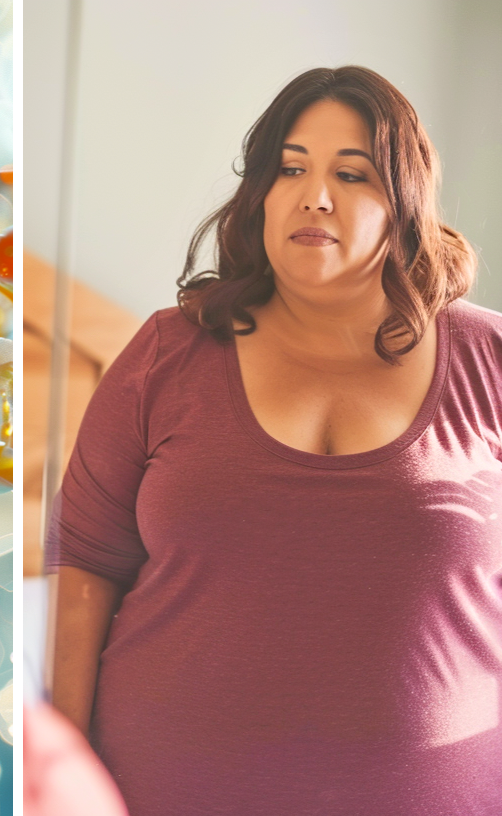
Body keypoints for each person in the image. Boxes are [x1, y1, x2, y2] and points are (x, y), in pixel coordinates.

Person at [47, 65, 496, 814]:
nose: (314, 194)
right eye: (291, 167)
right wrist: (56, 781)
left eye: (352, 174)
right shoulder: (166, 353)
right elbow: (83, 568)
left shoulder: (489, 357)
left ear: (404, 202)